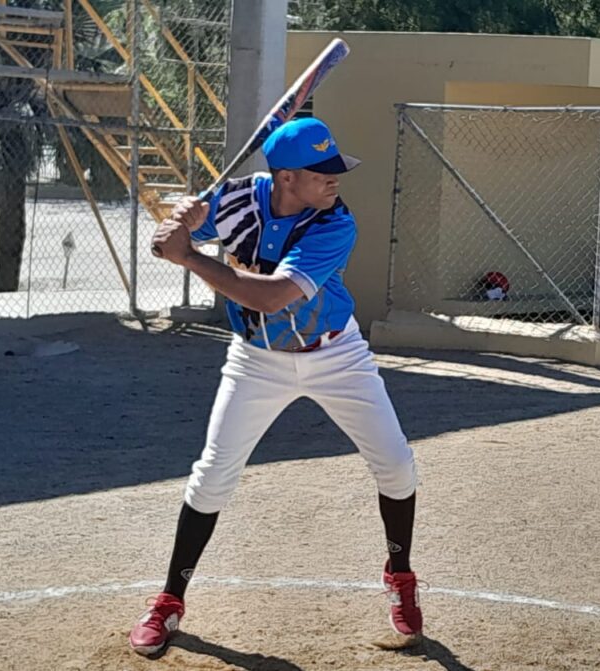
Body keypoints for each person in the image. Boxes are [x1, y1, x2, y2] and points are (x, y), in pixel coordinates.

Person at [132, 118, 421, 656]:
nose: (335, 180)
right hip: (256, 360)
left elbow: (269, 297)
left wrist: (188, 255)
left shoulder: (334, 223)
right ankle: (169, 600)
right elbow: (174, 237)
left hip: (335, 354)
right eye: (322, 172)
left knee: (397, 465)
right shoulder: (237, 200)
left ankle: (400, 576)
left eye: (336, 169)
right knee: (212, 476)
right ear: (286, 178)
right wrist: (180, 222)